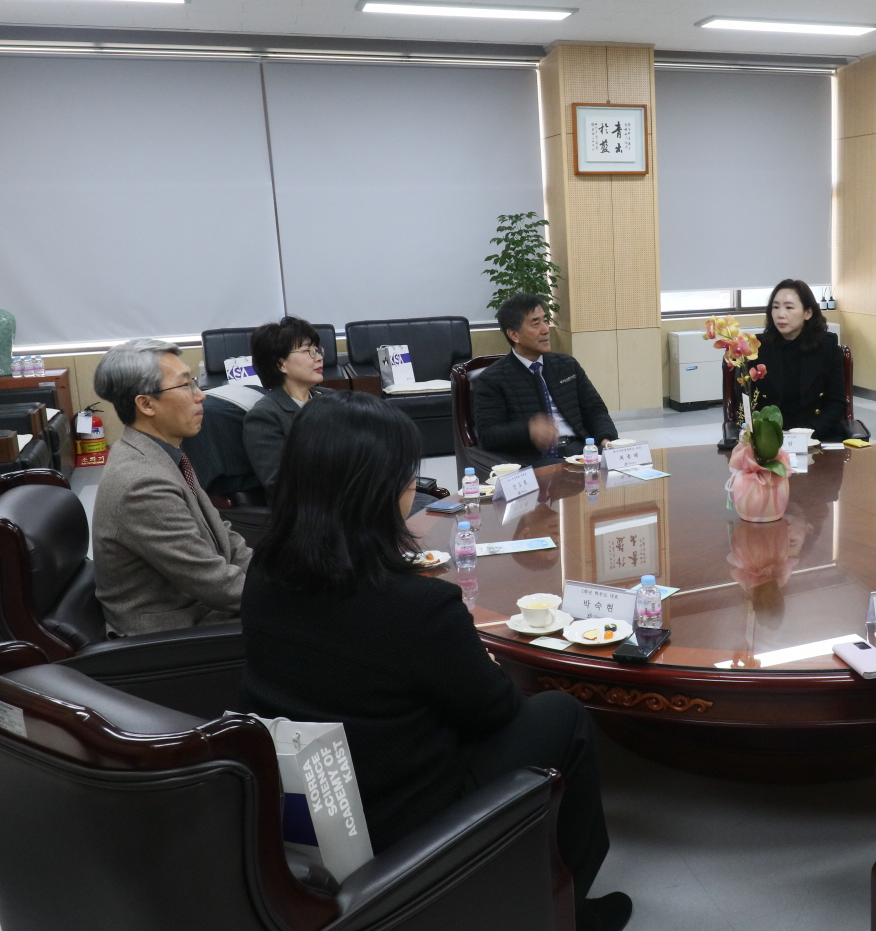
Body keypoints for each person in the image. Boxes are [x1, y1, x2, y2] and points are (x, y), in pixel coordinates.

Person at [238, 391, 630, 931]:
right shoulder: (414, 605)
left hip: (310, 791)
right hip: (404, 811)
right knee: (562, 715)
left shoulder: (266, 568)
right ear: (375, 490)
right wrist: (487, 670)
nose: (412, 488)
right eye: (407, 477)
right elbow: (494, 712)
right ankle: (565, 908)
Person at [92, 338, 252, 637]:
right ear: (146, 404)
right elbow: (216, 584)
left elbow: (225, 539)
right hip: (173, 636)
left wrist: (282, 576)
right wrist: (295, 597)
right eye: (185, 386)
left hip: (204, 609)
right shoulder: (142, 483)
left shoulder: (162, 452)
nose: (200, 395)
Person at [472, 293, 617, 467]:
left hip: (580, 450)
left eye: (545, 320)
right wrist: (529, 430)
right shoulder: (493, 379)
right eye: (536, 323)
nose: (545, 329)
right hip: (537, 460)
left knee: (633, 465)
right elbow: (488, 435)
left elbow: (595, 409)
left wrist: (605, 439)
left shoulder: (566, 365)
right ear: (514, 335)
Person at [752, 279, 848, 442]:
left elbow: (836, 403)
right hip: (770, 438)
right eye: (775, 307)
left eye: (789, 307)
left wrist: (808, 433)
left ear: (808, 313)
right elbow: (747, 403)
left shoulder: (827, 346)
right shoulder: (757, 348)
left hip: (817, 435)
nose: (780, 314)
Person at [242, 315, 328, 494]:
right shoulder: (264, 417)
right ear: (281, 364)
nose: (318, 357)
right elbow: (280, 485)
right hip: (307, 511)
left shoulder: (330, 399)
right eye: (308, 351)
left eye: (317, 350)